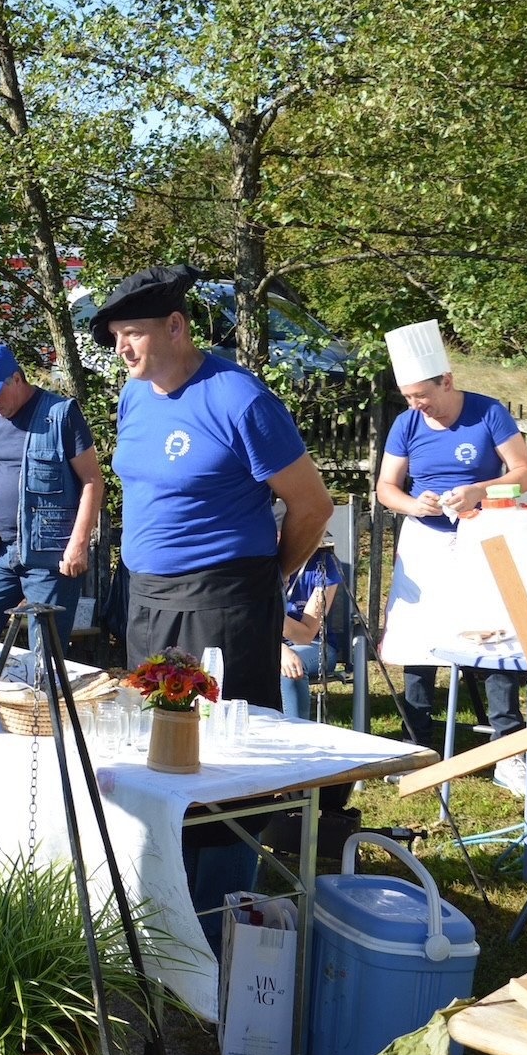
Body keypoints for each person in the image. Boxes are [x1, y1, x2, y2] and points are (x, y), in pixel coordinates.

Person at [93, 262, 334, 947]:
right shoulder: (135, 396)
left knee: (222, 760)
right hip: (147, 598)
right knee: (157, 749)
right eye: (116, 336)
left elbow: (311, 504)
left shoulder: (240, 398)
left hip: (222, 601)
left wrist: (263, 581)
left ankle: (220, 921)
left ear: (176, 326)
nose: (122, 350)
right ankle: (161, 910)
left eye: (132, 334)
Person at [376, 319, 527, 742]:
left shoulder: (488, 412)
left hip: (482, 532)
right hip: (425, 538)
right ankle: (417, 737)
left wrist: (478, 491)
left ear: (446, 381)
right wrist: (414, 504)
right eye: (409, 397)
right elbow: (386, 487)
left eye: (423, 395)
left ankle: (508, 738)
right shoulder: (407, 424)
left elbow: (526, 473)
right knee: (418, 631)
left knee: (491, 626)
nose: (416, 405)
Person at [0, 343, 103, 649]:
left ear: (17, 378)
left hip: (49, 558)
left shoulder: (60, 415)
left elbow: (92, 480)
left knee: (45, 655)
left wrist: (77, 546)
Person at [280, 548, 341, 721]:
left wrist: (273, 608)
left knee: (289, 668)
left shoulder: (321, 563)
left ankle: (297, 736)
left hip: (313, 645)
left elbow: (305, 635)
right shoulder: (256, 560)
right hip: (264, 643)